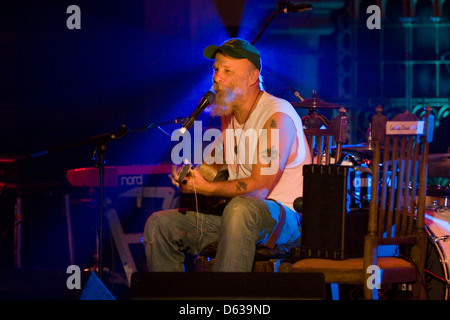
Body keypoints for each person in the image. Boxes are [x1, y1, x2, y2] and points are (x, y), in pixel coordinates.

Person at [143, 38, 311, 272]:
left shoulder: (277, 116)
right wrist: (188, 176)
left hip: (286, 220)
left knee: (239, 208)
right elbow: (209, 170)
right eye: (216, 69)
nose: (217, 77)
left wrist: (206, 188)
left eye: (227, 71)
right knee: (159, 224)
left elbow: (259, 188)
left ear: (252, 77)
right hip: (239, 218)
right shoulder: (229, 116)